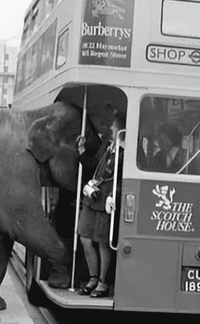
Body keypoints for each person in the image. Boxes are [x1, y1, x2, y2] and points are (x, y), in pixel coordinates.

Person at [76, 112, 125, 298]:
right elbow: (93, 167)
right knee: (85, 238)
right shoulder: (108, 146)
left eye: (113, 127)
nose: (110, 130)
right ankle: (93, 277)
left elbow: (124, 180)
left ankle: (103, 283)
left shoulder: (127, 151)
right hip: (93, 199)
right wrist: (81, 151)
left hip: (107, 202)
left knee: (103, 242)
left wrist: (115, 195)